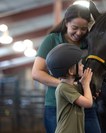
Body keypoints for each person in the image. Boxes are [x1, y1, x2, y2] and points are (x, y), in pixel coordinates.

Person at [32, 4, 101, 133]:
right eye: (74, 28)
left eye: (84, 29)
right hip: (57, 105)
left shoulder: (90, 42)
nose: (79, 33)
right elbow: (36, 73)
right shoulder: (52, 40)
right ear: (66, 23)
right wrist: (68, 86)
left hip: (85, 103)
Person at [46, 44, 93, 133]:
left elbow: (87, 95)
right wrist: (86, 84)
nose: (82, 66)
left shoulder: (73, 86)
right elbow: (88, 103)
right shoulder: (63, 87)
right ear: (71, 71)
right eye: (79, 64)